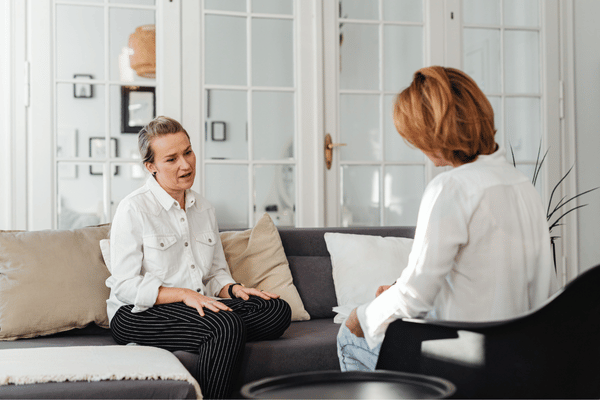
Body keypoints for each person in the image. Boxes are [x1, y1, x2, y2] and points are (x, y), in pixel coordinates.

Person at [337, 66, 558, 372]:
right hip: (520, 358)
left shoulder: (450, 188)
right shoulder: (522, 185)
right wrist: (400, 288)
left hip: (467, 360)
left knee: (347, 337)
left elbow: (415, 298)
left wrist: (361, 315)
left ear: (434, 131)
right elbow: (525, 286)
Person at [106, 116, 292, 399]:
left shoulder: (203, 208)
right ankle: (218, 336)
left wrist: (233, 289)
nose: (186, 164)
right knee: (225, 325)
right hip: (137, 313)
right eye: (172, 159)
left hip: (199, 305)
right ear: (151, 166)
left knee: (277, 310)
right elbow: (124, 286)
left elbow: (215, 272)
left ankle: (213, 335)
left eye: (188, 152)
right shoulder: (133, 209)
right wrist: (181, 294)